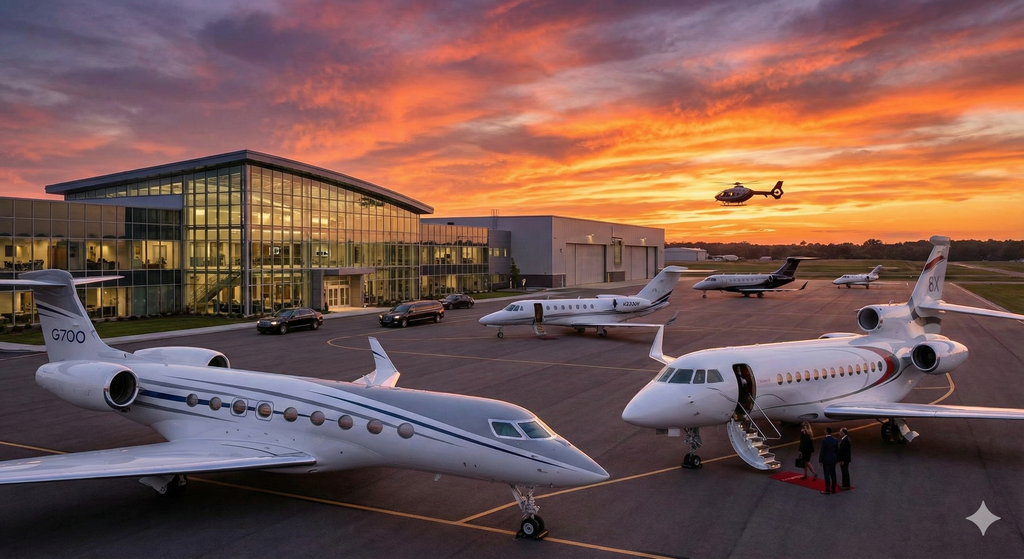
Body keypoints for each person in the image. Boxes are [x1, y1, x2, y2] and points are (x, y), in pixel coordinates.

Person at [818, 426, 839, 495]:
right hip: (833, 459)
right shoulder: (835, 440)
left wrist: (820, 460)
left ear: (826, 432)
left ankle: (827, 489)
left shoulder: (824, 440)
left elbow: (822, 451)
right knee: (833, 474)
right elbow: (837, 450)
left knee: (827, 474)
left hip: (826, 459)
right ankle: (833, 489)